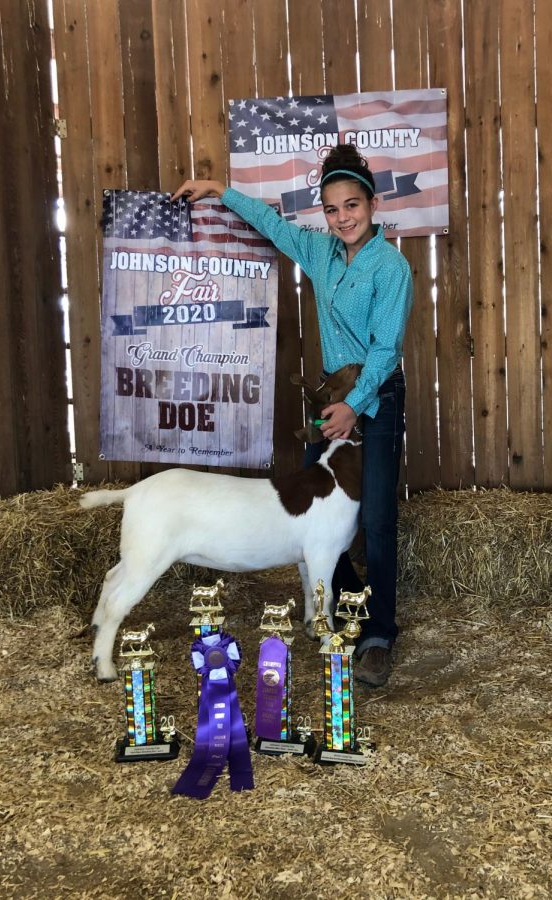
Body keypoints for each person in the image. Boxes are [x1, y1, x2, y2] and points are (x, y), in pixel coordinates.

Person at [171, 144, 413, 687]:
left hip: (375, 395)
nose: (343, 217)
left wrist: (356, 407)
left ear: (372, 204)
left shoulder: (391, 266)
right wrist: (217, 190)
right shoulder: (321, 252)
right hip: (332, 393)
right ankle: (346, 603)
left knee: (373, 518)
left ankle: (379, 634)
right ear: (323, 214)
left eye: (352, 205)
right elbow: (270, 224)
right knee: (305, 503)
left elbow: (385, 349)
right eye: (332, 209)